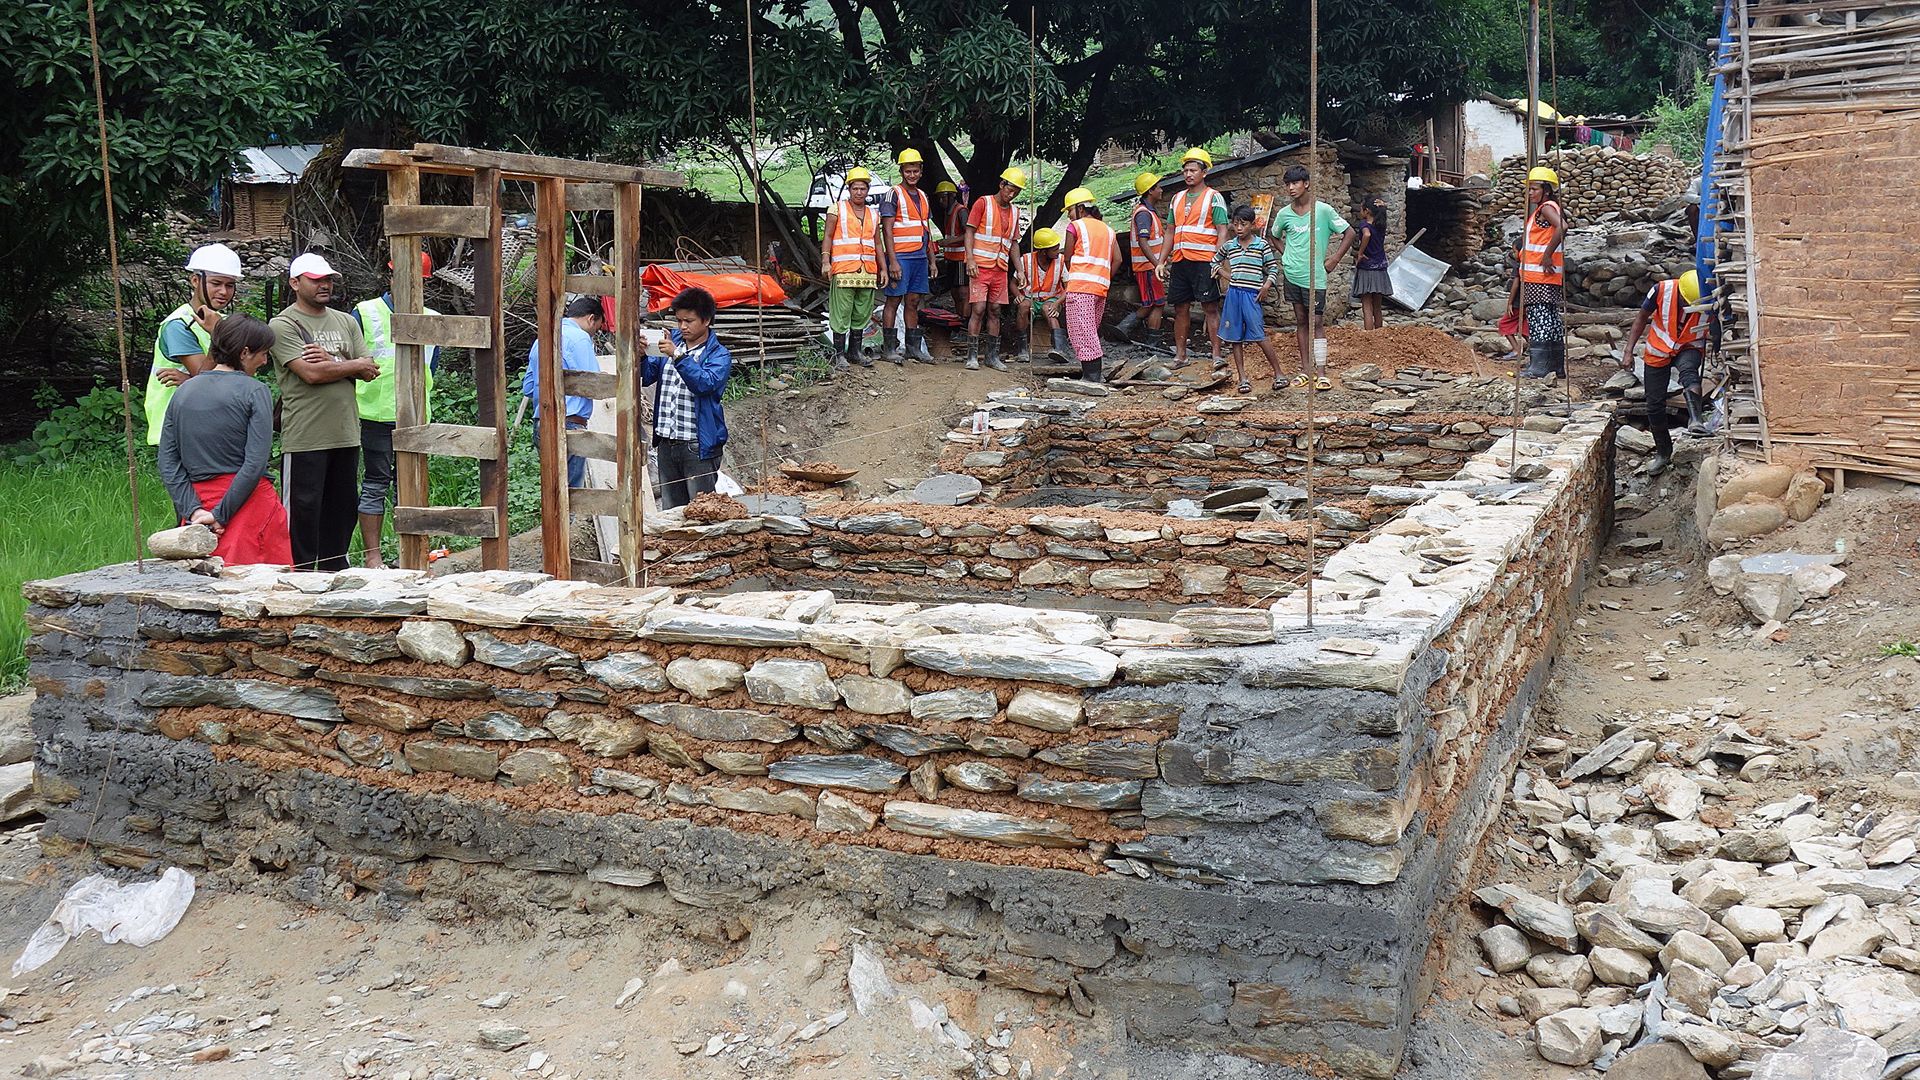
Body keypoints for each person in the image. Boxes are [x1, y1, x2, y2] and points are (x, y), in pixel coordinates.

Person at [269, 254, 380, 571]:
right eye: (315, 279)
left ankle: (335, 573)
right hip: (306, 435)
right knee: (303, 510)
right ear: (295, 283)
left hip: (345, 433)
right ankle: (301, 575)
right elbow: (310, 374)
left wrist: (333, 361)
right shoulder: (283, 324)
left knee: (342, 508)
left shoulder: (345, 320)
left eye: (328, 279)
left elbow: (370, 368)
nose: (324, 284)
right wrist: (351, 365)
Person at [156, 316, 292, 566]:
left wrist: (194, 510)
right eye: (263, 354)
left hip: (197, 504)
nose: (264, 361)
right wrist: (221, 515)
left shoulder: (184, 390)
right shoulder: (255, 390)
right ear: (245, 352)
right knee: (262, 592)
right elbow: (255, 462)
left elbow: (167, 459)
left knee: (200, 590)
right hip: (247, 505)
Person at [351, 252, 441, 569]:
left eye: (418, 281)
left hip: (416, 417)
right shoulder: (365, 313)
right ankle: (373, 558)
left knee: (413, 486)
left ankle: (413, 555)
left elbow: (432, 365)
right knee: (377, 483)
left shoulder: (432, 318)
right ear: (390, 277)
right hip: (375, 415)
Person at [145, 243, 243, 446]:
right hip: (178, 424)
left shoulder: (222, 321)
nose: (224, 292)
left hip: (209, 422)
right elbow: (204, 381)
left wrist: (190, 379)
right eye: (216, 283)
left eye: (230, 285)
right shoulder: (178, 325)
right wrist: (218, 335)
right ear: (195, 280)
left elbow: (242, 373)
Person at [645, 287, 732, 510]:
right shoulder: (671, 345)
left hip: (697, 446)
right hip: (667, 443)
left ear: (706, 321)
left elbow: (704, 384)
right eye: (679, 321)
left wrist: (677, 356)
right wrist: (641, 355)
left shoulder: (718, 355)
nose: (683, 326)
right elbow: (646, 377)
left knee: (702, 511)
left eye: (689, 321)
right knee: (672, 511)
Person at [1270, 164, 1353, 391]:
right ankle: (1306, 370)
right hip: (1292, 274)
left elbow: (1349, 232)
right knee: (1300, 320)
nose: (1291, 188)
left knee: (1316, 321)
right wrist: (1285, 253)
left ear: (1306, 184)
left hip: (1315, 276)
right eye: (1288, 184)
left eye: (1295, 183)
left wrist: (1334, 259)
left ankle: (1321, 372)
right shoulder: (1285, 214)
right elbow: (1273, 236)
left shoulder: (1322, 211)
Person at [1620, 269, 1709, 473]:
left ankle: (1695, 420)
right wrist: (1628, 351)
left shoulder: (1705, 296)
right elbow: (1641, 318)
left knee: (1689, 373)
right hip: (1659, 348)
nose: (1689, 308)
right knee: (1654, 404)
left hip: (1689, 345)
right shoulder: (1661, 290)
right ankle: (1663, 452)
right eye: (1686, 304)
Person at [523, 295, 606, 490]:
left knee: (551, 491)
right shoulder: (580, 339)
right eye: (597, 328)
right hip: (569, 423)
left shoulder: (543, 336)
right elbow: (594, 385)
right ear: (591, 318)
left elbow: (527, 387)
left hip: (541, 423)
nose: (595, 333)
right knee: (570, 496)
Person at [1157, 148, 1228, 369]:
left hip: (1205, 261)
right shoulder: (1177, 198)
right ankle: (1180, 356)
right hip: (1180, 260)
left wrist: (1217, 260)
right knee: (1180, 308)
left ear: (1204, 172)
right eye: (1186, 170)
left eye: (1193, 170)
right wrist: (1161, 261)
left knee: (1210, 307)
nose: (1188, 174)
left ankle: (1216, 355)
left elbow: (1222, 231)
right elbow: (1170, 231)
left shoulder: (1213, 197)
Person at [1212, 204, 1282, 395]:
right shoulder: (1230, 246)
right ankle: (1242, 378)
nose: (1239, 228)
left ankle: (1279, 374)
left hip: (1252, 295)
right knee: (1235, 337)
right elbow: (1214, 261)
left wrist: (1266, 286)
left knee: (1259, 334)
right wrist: (1226, 275)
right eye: (1235, 224)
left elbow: (1273, 268)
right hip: (1234, 294)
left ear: (1252, 225)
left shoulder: (1261, 245)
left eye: (1243, 224)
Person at [822, 167, 887, 370]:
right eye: (855, 188)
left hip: (867, 271)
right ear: (849, 189)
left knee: (862, 312)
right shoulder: (836, 209)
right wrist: (825, 261)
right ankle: (839, 355)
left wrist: (882, 268)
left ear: (868, 190)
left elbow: (878, 244)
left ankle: (855, 352)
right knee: (841, 312)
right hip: (844, 269)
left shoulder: (874, 214)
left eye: (863, 188)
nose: (859, 192)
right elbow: (828, 237)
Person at [964, 166, 1026, 371]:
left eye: (1017, 192)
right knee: (978, 309)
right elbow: (970, 232)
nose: (1012, 194)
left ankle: (992, 356)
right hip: (980, 266)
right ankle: (972, 356)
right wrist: (970, 259)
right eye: (1010, 189)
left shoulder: (1016, 212)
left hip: (1000, 268)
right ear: (1002, 184)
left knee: (995, 310)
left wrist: (1020, 270)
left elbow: (1013, 243)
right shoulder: (984, 203)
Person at [879, 149, 935, 364]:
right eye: (908, 171)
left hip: (919, 257)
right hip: (901, 256)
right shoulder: (893, 194)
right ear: (901, 171)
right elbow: (887, 229)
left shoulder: (923, 196)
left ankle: (913, 348)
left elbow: (925, 229)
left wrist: (931, 259)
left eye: (915, 171)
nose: (912, 175)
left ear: (921, 172)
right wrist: (892, 261)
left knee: (913, 301)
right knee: (893, 300)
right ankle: (889, 349)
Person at [1513, 165, 1567, 379]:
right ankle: (1556, 367)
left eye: (1534, 188)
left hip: (1539, 276)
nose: (1530, 193)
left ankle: (1540, 367)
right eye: (1529, 189)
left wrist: (1546, 255)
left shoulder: (1546, 208)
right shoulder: (1546, 208)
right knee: (1551, 319)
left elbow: (1562, 227)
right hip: (1547, 277)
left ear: (1546, 190)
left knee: (1539, 319)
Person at [1060, 187, 1118, 383]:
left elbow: (1067, 257)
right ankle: (1091, 375)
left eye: (1069, 211)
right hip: (1100, 288)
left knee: (1082, 332)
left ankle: (1092, 377)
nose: (1069, 216)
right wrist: (1103, 275)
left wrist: (1077, 273)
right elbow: (1117, 259)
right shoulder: (1108, 230)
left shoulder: (1075, 227)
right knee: (1090, 329)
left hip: (1080, 287)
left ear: (1080, 208)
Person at [1115, 172, 1167, 345]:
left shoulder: (1147, 212)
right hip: (1147, 267)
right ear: (1150, 191)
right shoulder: (1144, 214)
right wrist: (1157, 264)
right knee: (1155, 303)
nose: (1161, 189)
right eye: (1158, 187)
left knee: (1152, 303)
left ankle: (1125, 329)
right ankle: (1151, 341)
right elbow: (1143, 241)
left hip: (1149, 267)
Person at [1015, 227, 1066, 361]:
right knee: (1023, 306)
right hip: (1029, 298)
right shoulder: (1025, 260)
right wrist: (1017, 295)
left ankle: (1059, 349)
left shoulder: (1060, 261)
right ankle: (1022, 350)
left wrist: (1057, 303)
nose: (1058, 251)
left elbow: (1069, 287)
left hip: (1051, 299)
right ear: (1043, 252)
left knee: (1048, 309)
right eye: (1054, 249)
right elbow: (1012, 283)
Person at [1350, 196, 1394, 331]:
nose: (1360, 212)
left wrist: (1360, 253)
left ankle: (1369, 335)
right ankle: (1379, 334)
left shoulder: (1364, 224)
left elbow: (1367, 235)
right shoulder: (1381, 224)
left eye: (1361, 209)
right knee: (1377, 307)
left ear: (1367, 211)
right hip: (1380, 267)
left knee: (1367, 306)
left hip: (1367, 268)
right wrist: (1384, 205)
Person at [932, 180, 967, 336]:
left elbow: (969, 234)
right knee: (954, 292)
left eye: (943, 197)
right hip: (952, 259)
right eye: (939, 198)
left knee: (962, 293)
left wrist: (947, 242)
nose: (941, 201)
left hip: (961, 258)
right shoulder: (948, 213)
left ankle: (964, 325)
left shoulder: (961, 211)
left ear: (952, 196)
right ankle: (958, 323)